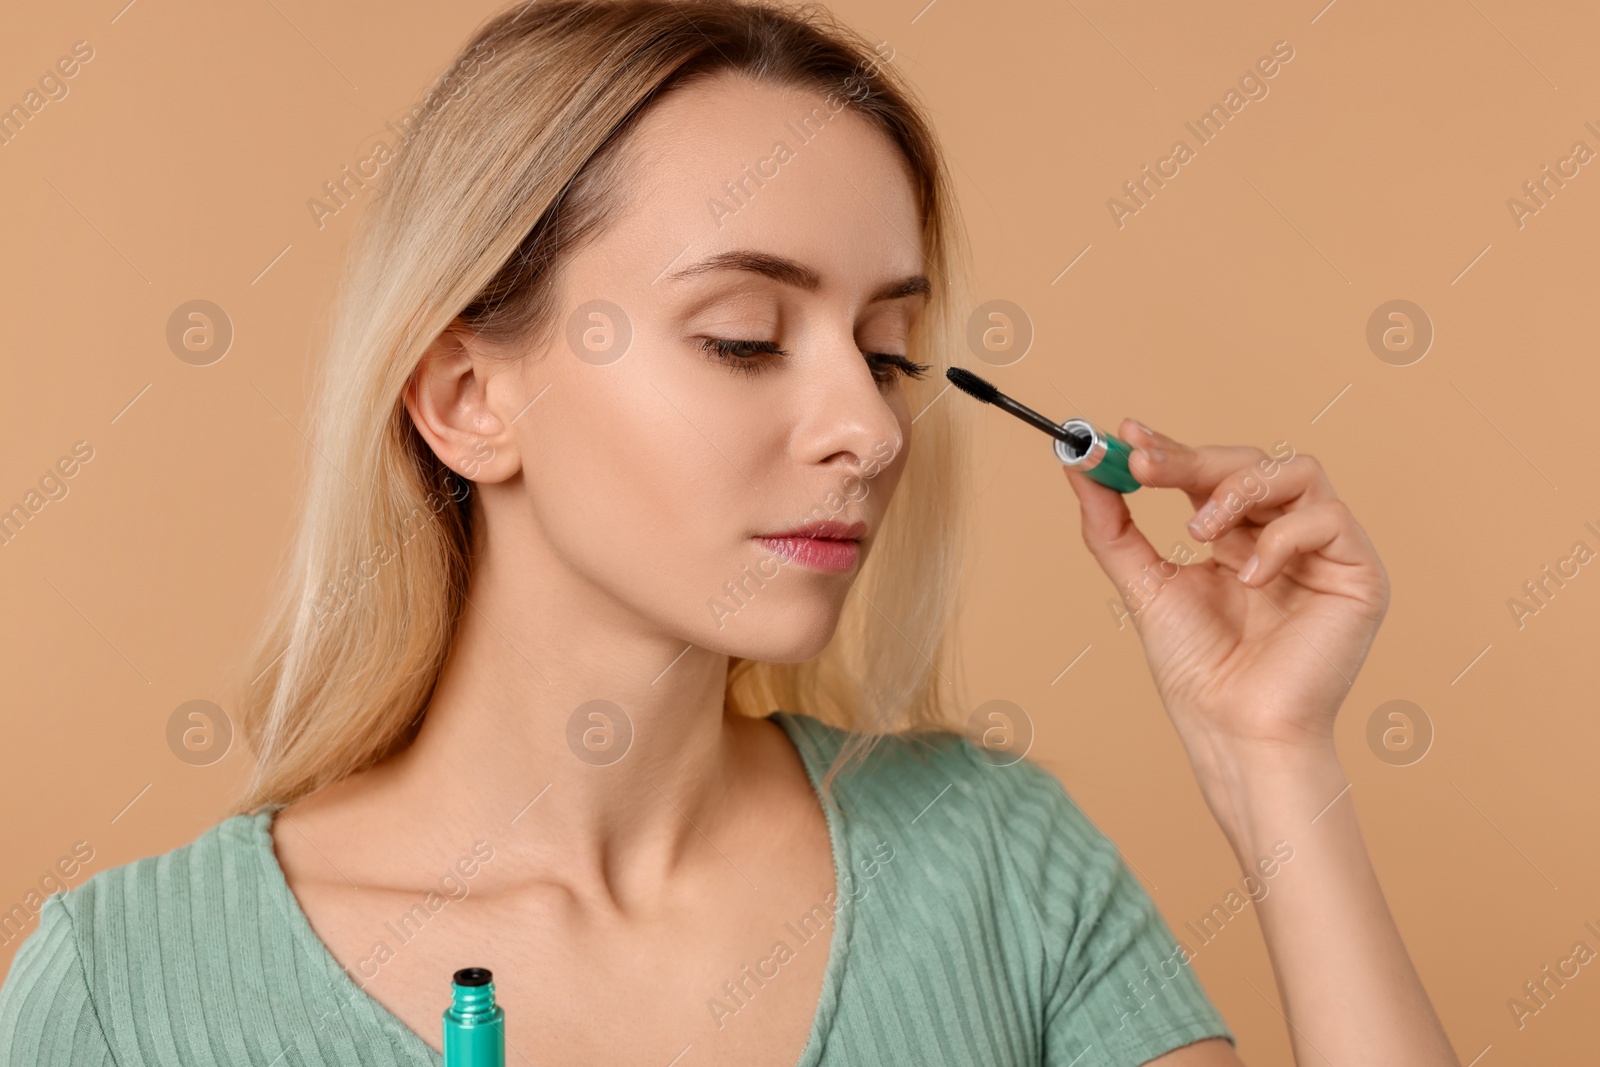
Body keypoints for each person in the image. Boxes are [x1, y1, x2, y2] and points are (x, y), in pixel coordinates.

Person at [0, 1, 1459, 1063]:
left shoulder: (996, 870)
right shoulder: (130, 989)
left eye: (887, 351)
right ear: (465, 399)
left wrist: (1273, 765)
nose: (871, 429)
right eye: (747, 337)